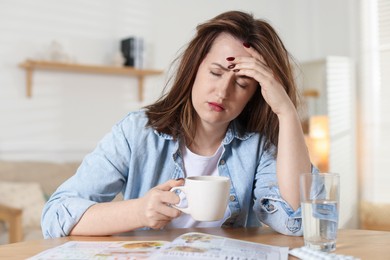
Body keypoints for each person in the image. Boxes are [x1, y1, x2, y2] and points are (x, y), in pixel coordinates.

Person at [42, 10, 316, 238]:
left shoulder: (259, 146)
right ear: (194, 67)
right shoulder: (137, 132)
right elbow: (56, 215)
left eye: (242, 83)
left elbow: (297, 221)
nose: (223, 92)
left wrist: (287, 113)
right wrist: (139, 211)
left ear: (256, 93)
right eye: (215, 72)